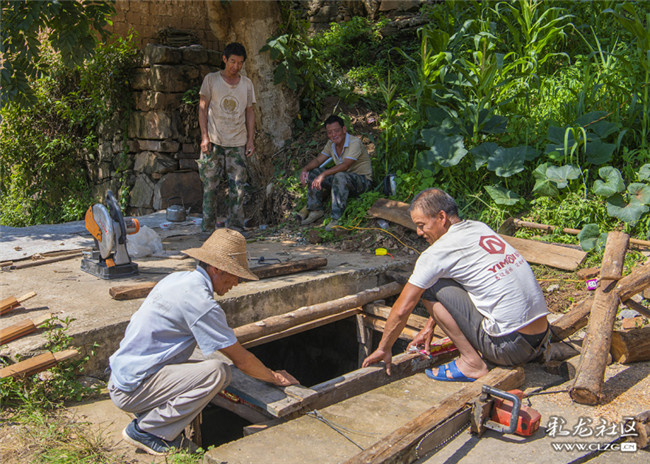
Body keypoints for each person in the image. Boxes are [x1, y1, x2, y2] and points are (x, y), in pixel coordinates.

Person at [108, 228, 298, 455]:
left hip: (123, 377)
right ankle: (147, 431)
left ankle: (151, 412)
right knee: (218, 372)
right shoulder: (202, 304)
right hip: (132, 390)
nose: (236, 283)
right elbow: (242, 361)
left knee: (206, 365)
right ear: (216, 268)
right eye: (234, 275)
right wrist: (274, 377)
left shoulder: (178, 279)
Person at [362, 188, 550, 381]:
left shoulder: (437, 253)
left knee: (428, 287)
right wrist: (429, 327)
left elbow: (402, 309)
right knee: (438, 282)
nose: (419, 232)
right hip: (542, 337)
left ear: (441, 217)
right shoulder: (479, 228)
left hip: (508, 348)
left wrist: (384, 349)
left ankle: (471, 363)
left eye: (421, 225)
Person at [198, 42, 256, 232]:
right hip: (214, 142)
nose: (235, 66)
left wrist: (250, 140)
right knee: (210, 188)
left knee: (237, 189)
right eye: (232, 62)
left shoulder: (247, 84)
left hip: (238, 142)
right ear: (224, 59)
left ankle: (236, 230)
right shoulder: (211, 80)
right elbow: (202, 108)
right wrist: (204, 137)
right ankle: (207, 230)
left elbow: (250, 112)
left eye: (240, 63)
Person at [298, 115, 373, 230]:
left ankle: (336, 219)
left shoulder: (354, 142)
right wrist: (305, 169)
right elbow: (318, 160)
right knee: (315, 172)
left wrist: (323, 175)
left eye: (336, 131)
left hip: (362, 182)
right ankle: (315, 209)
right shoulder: (331, 144)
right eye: (330, 132)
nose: (333, 135)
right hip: (342, 180)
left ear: (344, 129)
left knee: (339, 175)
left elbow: (345, 165)